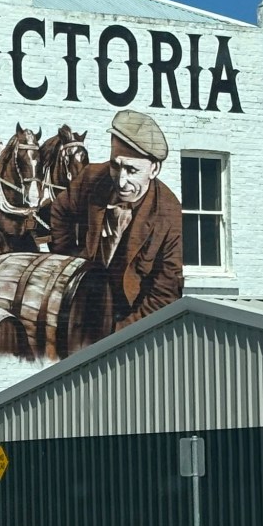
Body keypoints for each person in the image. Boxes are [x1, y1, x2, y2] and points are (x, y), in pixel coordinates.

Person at [49, 109, 183, 348]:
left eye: (132, 170)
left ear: (154, 169)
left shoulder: (170, 214)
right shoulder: (92, 177)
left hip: (128, 317)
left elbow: (164, 297)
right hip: (81, 301)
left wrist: (116, 337)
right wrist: (70, 260)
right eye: (115, 165)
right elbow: (60, 210)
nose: (121, 181)